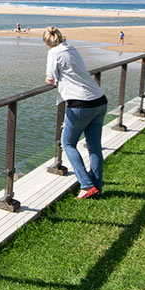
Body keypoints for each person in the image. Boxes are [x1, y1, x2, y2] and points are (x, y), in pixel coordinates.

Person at [43, 26, 108, 199]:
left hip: (80, 104)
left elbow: (50, 79)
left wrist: (53, 79)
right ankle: (97, 187)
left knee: (68, 144)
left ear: (47, 42)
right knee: (95, 148)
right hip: (99, 99)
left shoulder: (53, 52)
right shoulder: (72, 48)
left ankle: (86, 185)